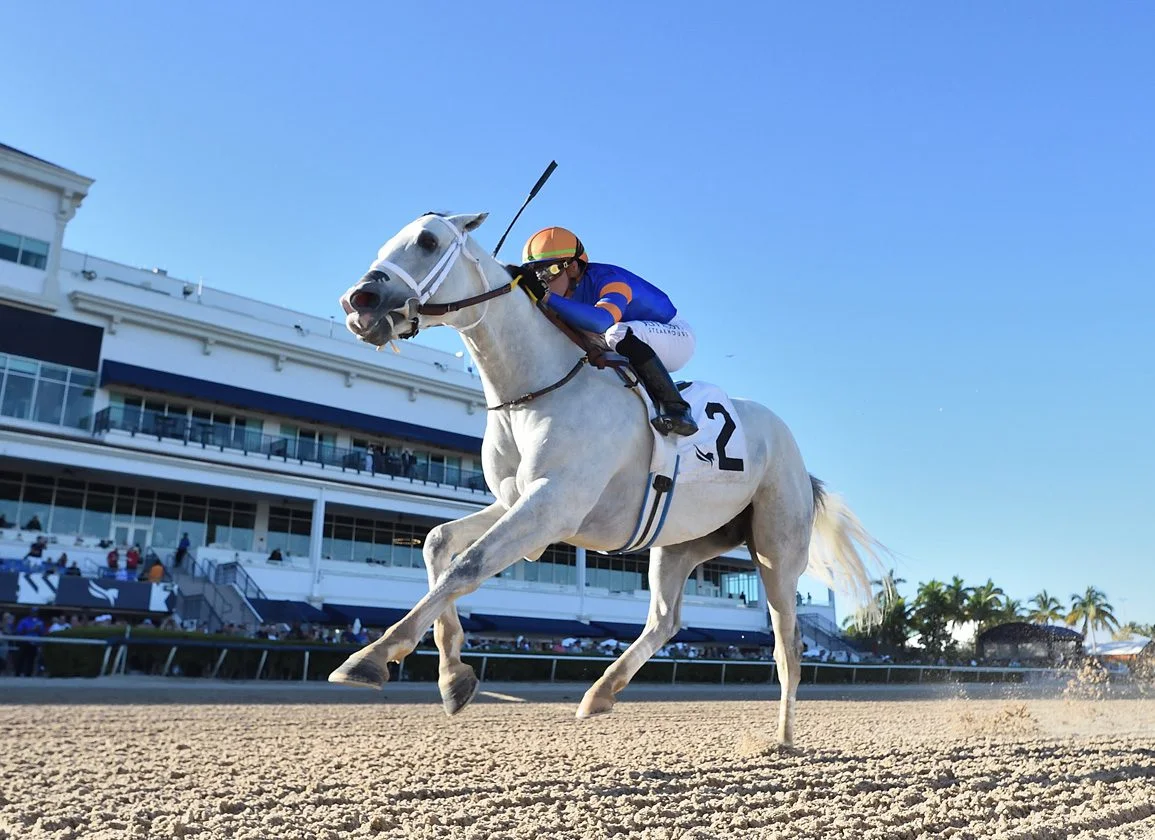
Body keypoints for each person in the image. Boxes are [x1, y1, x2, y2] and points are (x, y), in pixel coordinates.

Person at [517, 227, 697, 436]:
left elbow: (602, 321)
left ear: (573, 267)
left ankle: (677, 409)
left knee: (615, 332)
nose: (542, 280)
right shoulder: (565, 291)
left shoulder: (610, 280)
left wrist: (547, 298)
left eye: (549, 271)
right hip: (635, 340)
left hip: (676, 337)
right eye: (535, 273)